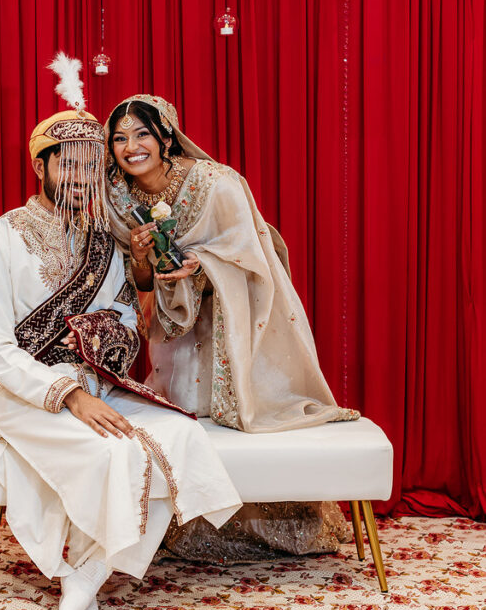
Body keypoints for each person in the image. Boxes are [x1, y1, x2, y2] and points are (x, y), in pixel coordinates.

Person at [0, 59, 241, 610]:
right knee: (113, 453)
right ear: (41, 164)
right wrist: (69, 394)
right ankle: (86, 571)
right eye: (66, 162)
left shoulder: (104, 240)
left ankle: (86, 573)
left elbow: (123, 316)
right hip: (26, 394)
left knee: (180, 436)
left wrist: (102, 336)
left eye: (90, 164)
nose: (77, 174)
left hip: (97, 385)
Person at [104, 94, 358, 561]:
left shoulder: (216, 183)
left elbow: (254, 256)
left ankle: (276, 530)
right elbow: (134, 279)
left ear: (166, 135)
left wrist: (202, 263)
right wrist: (142, 258)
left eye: (141, 133)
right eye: (119, 138)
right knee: (184, 418)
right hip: (176, 327)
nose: (130, 146)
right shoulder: (118, 199)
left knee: (239, 421)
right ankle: (191, 527)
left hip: (234, 321)